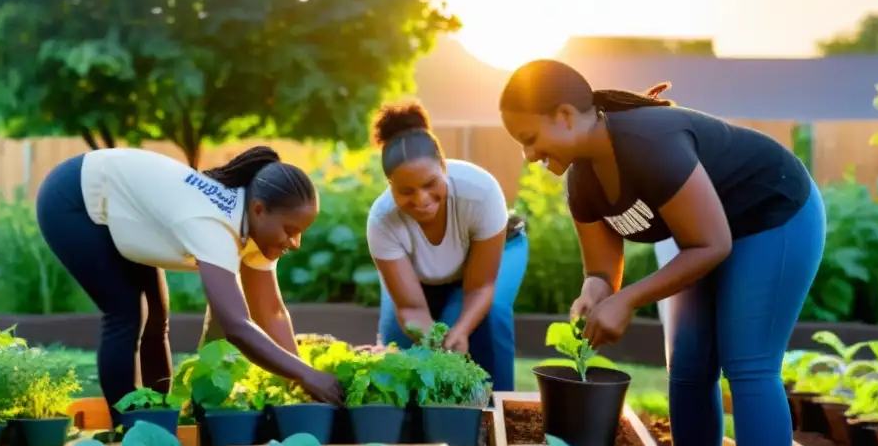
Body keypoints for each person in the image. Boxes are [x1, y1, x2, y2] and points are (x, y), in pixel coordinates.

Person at [498, 59, 825, 446]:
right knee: (689, 364)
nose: (529, 154)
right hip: (703, 237)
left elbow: (711, 243)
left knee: (749, 363)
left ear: (565, 115)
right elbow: (603, 268)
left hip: (773, 215)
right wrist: (595, 295)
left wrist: (627, 302)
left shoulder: (646, 144)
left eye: (529, 137)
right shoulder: (581, 179)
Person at [35, 146, 344, 414]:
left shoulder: (256, 226)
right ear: (260, 210)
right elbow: (237, 326)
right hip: (74, 199)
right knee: (127, 312)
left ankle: (158, 414)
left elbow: (271, 312)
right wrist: (307, 375)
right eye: (290, 231)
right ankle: (127, 428)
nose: (295, 243)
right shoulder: (214, 224)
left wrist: (300, 380)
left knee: (157, 319)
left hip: (126, 210)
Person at [366, 100, 529, 390]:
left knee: (485, 319)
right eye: (406, 191)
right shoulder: (382, 221)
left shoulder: (480, 191)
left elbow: (480, 287)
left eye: (430, 184)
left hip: (497, 253)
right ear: (390, 184)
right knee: (398, 343)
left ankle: (498, 412)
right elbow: (410, 308)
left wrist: (461, 331)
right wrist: (434, 343)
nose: (421, 200)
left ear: (444, 166)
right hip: (422, 277)